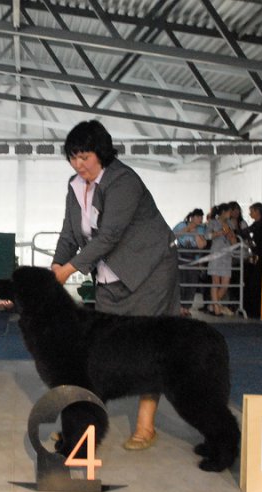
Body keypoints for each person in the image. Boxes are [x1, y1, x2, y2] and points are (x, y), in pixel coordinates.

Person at [51, 120, 179, 452]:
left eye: (85, 157)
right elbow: (69, 234)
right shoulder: (74, 186)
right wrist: (55, 267)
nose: (79, 165)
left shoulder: (123, 180)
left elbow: (108, 236)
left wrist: (68, 271)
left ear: (102, 153)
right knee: (102, 353)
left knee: (147, 347)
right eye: (73, 158)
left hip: (150, 270)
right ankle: (85, 428)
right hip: (109, 276)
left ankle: (145, 427)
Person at [172, 209, 208, 316]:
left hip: (194, 260)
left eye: (201, 217)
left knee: (192, 284)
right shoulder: (181, 225)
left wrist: (195, 233)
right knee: (181, 283)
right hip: (181, 259)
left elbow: (201, 245)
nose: (200, 219)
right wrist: (187, 229)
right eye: (198, 217)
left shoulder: (201, 229)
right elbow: (172, 236)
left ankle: (187, 307)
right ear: (192, 217)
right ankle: (180, 307)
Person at [206, 203, 237, 316]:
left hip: (227, 256)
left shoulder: (230, 223)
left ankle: (212, 305)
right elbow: (207, 236)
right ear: (223, 212)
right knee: (216, 282)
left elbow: (234, 240)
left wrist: (230, 235)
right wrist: (218, 233)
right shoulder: (212, 222)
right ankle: (216, 307)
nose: (230, 214)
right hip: (216, 255)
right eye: (229, 211)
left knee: (225, 284)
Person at [243, 202, 262, 318]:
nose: (250, 213)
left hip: (261, 257)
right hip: (258, 255)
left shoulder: (260, 225)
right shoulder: (257, 224)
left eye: (251, 211)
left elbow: (246, 232)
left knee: (255, 283)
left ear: (257, 211)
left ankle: (255, 309)